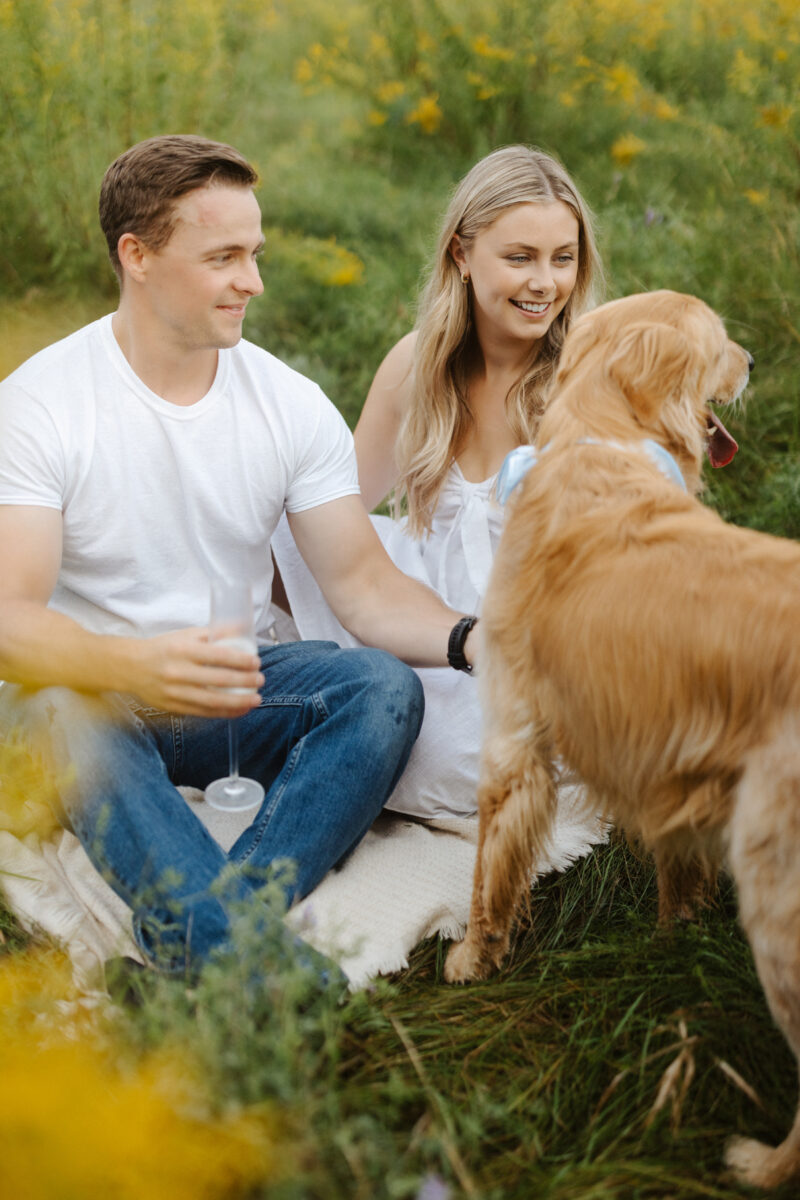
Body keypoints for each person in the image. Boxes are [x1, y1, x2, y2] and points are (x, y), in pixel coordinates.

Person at [0, 134, 482, 979]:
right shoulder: (40, 405)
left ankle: (210, 937)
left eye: (254, 255)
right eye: (223, 257)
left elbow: (365, 587)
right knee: (68, 716)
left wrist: (471, 639)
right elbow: (9, 620)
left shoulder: (289, 405)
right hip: (82, 694)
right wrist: (133, 665)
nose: (253, 282)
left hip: (230, 687)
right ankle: (259, 973)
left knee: (379, 689)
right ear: (137, 256)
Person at [273, 144, 603, 820]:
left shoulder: (590, 378)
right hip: (426, 601)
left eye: (562, 258)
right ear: (461, 252)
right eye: (520, 258)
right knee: (274, 528)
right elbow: (339, 507)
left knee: (463, 759)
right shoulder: (416, 365)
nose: (545, 282)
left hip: (540, 632)